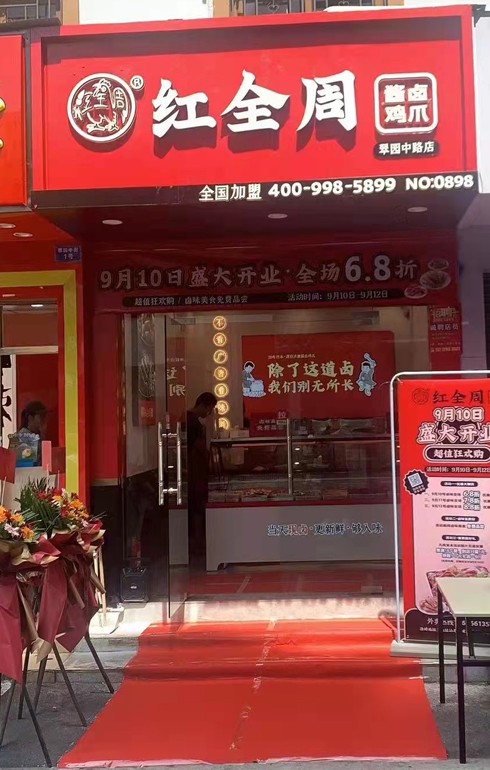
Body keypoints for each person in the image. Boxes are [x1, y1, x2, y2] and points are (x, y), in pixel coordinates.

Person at [186, 392, 217, 567]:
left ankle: (197, 543)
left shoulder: (189, 419)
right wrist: (209, 461)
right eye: (210, 409)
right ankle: (197, 544)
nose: (209, 413)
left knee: (196, 508)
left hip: (193, 472)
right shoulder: (193, 422)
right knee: (198, 507)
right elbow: (199, 448)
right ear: (204, 405)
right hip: (195, 473)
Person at [8, 401, 49, 466]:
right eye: (41, 416)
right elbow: (28, 467)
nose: (44, 420)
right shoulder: (24, 437)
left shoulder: (37, 436)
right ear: (31, 418)